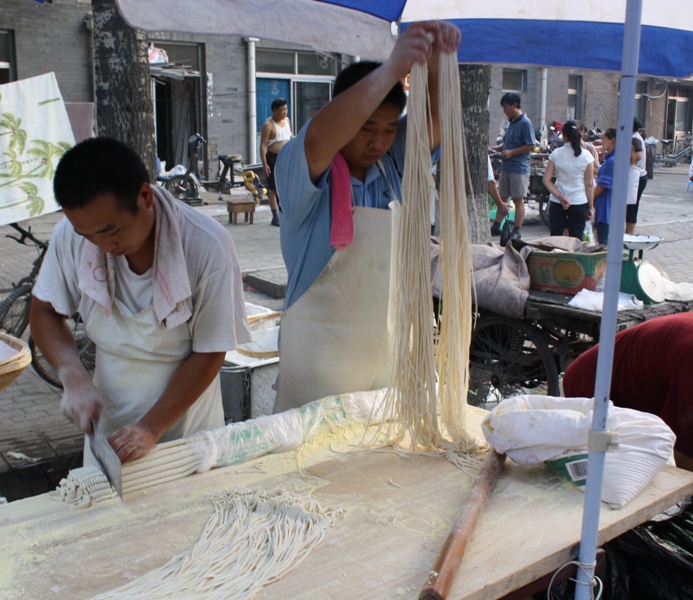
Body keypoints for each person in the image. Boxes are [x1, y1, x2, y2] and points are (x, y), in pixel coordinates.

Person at [273, 21, 461, 412]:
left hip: (385, 363)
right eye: (365, 127)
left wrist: (441, 57)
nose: (378, 141)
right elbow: (322, 136)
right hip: (317, 369)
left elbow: (437, 118)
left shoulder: (393, 166)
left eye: (390, 128)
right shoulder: (304, 169)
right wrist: (393, 67)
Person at [29, 138, 251, 464]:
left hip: (187, 439)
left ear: (145, 197)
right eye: (87, 235)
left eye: (110, 231)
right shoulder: (71, 235)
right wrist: (71, 374)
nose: (101, 245)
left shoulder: (207, 246)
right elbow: (44, 312)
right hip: (108, 438)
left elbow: (210, 352)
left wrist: (150, 427)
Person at [563, 313, 693, 472]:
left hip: (638, 378)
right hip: (595, 384)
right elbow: (683, 449)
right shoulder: (689, 370)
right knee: (610, 471)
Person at [490, 92, 535, 241]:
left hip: (519, 168)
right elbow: (507, 143)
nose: (504, 111)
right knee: (502, 197)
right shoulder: (511, 123)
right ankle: (497, 225)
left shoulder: (525, 123)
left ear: (514, 105)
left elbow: (530, 145)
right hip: (506, 167)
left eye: (505, 107)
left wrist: (512, 153)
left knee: (518, 200)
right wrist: (498, 149)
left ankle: (517, 229)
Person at [542, 120, 594, 239]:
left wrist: (560, 197)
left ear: (564, 136)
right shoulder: (587, 156)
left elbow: (546, 180)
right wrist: (590, 207)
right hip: (579, 201)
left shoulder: (556, 154)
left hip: (557, 202)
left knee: (555, 238)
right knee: (576, 240)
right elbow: (589, 185)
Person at [593, 132, 640, 245]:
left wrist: (590, 200)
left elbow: (602, 186)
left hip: (606, 208)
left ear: (612, 140)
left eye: (604, 139)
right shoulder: (615, 159)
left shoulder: (612, 161)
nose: (601, 142)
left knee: (604, 243)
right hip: (612, 207)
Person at [260, 98, 291, 226]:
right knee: (273, 188)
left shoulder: (287, 121)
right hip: (273, 158)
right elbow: (262, 145)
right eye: (281, 110)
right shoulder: (268, 125)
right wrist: (264, 164)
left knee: (286, 187)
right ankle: (275, 216)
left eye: (286, 109)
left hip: (287, 158)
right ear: (274, 110)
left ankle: (286, 213)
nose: (284, 113)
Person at [627, 118, 647, 235]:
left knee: (631, 207)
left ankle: (629, 234)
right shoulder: (634, 137)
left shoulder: (635, 139)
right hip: (638, 175)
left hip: (637, 177)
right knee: (630, 206)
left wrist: (628, 161)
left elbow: (638, 154)